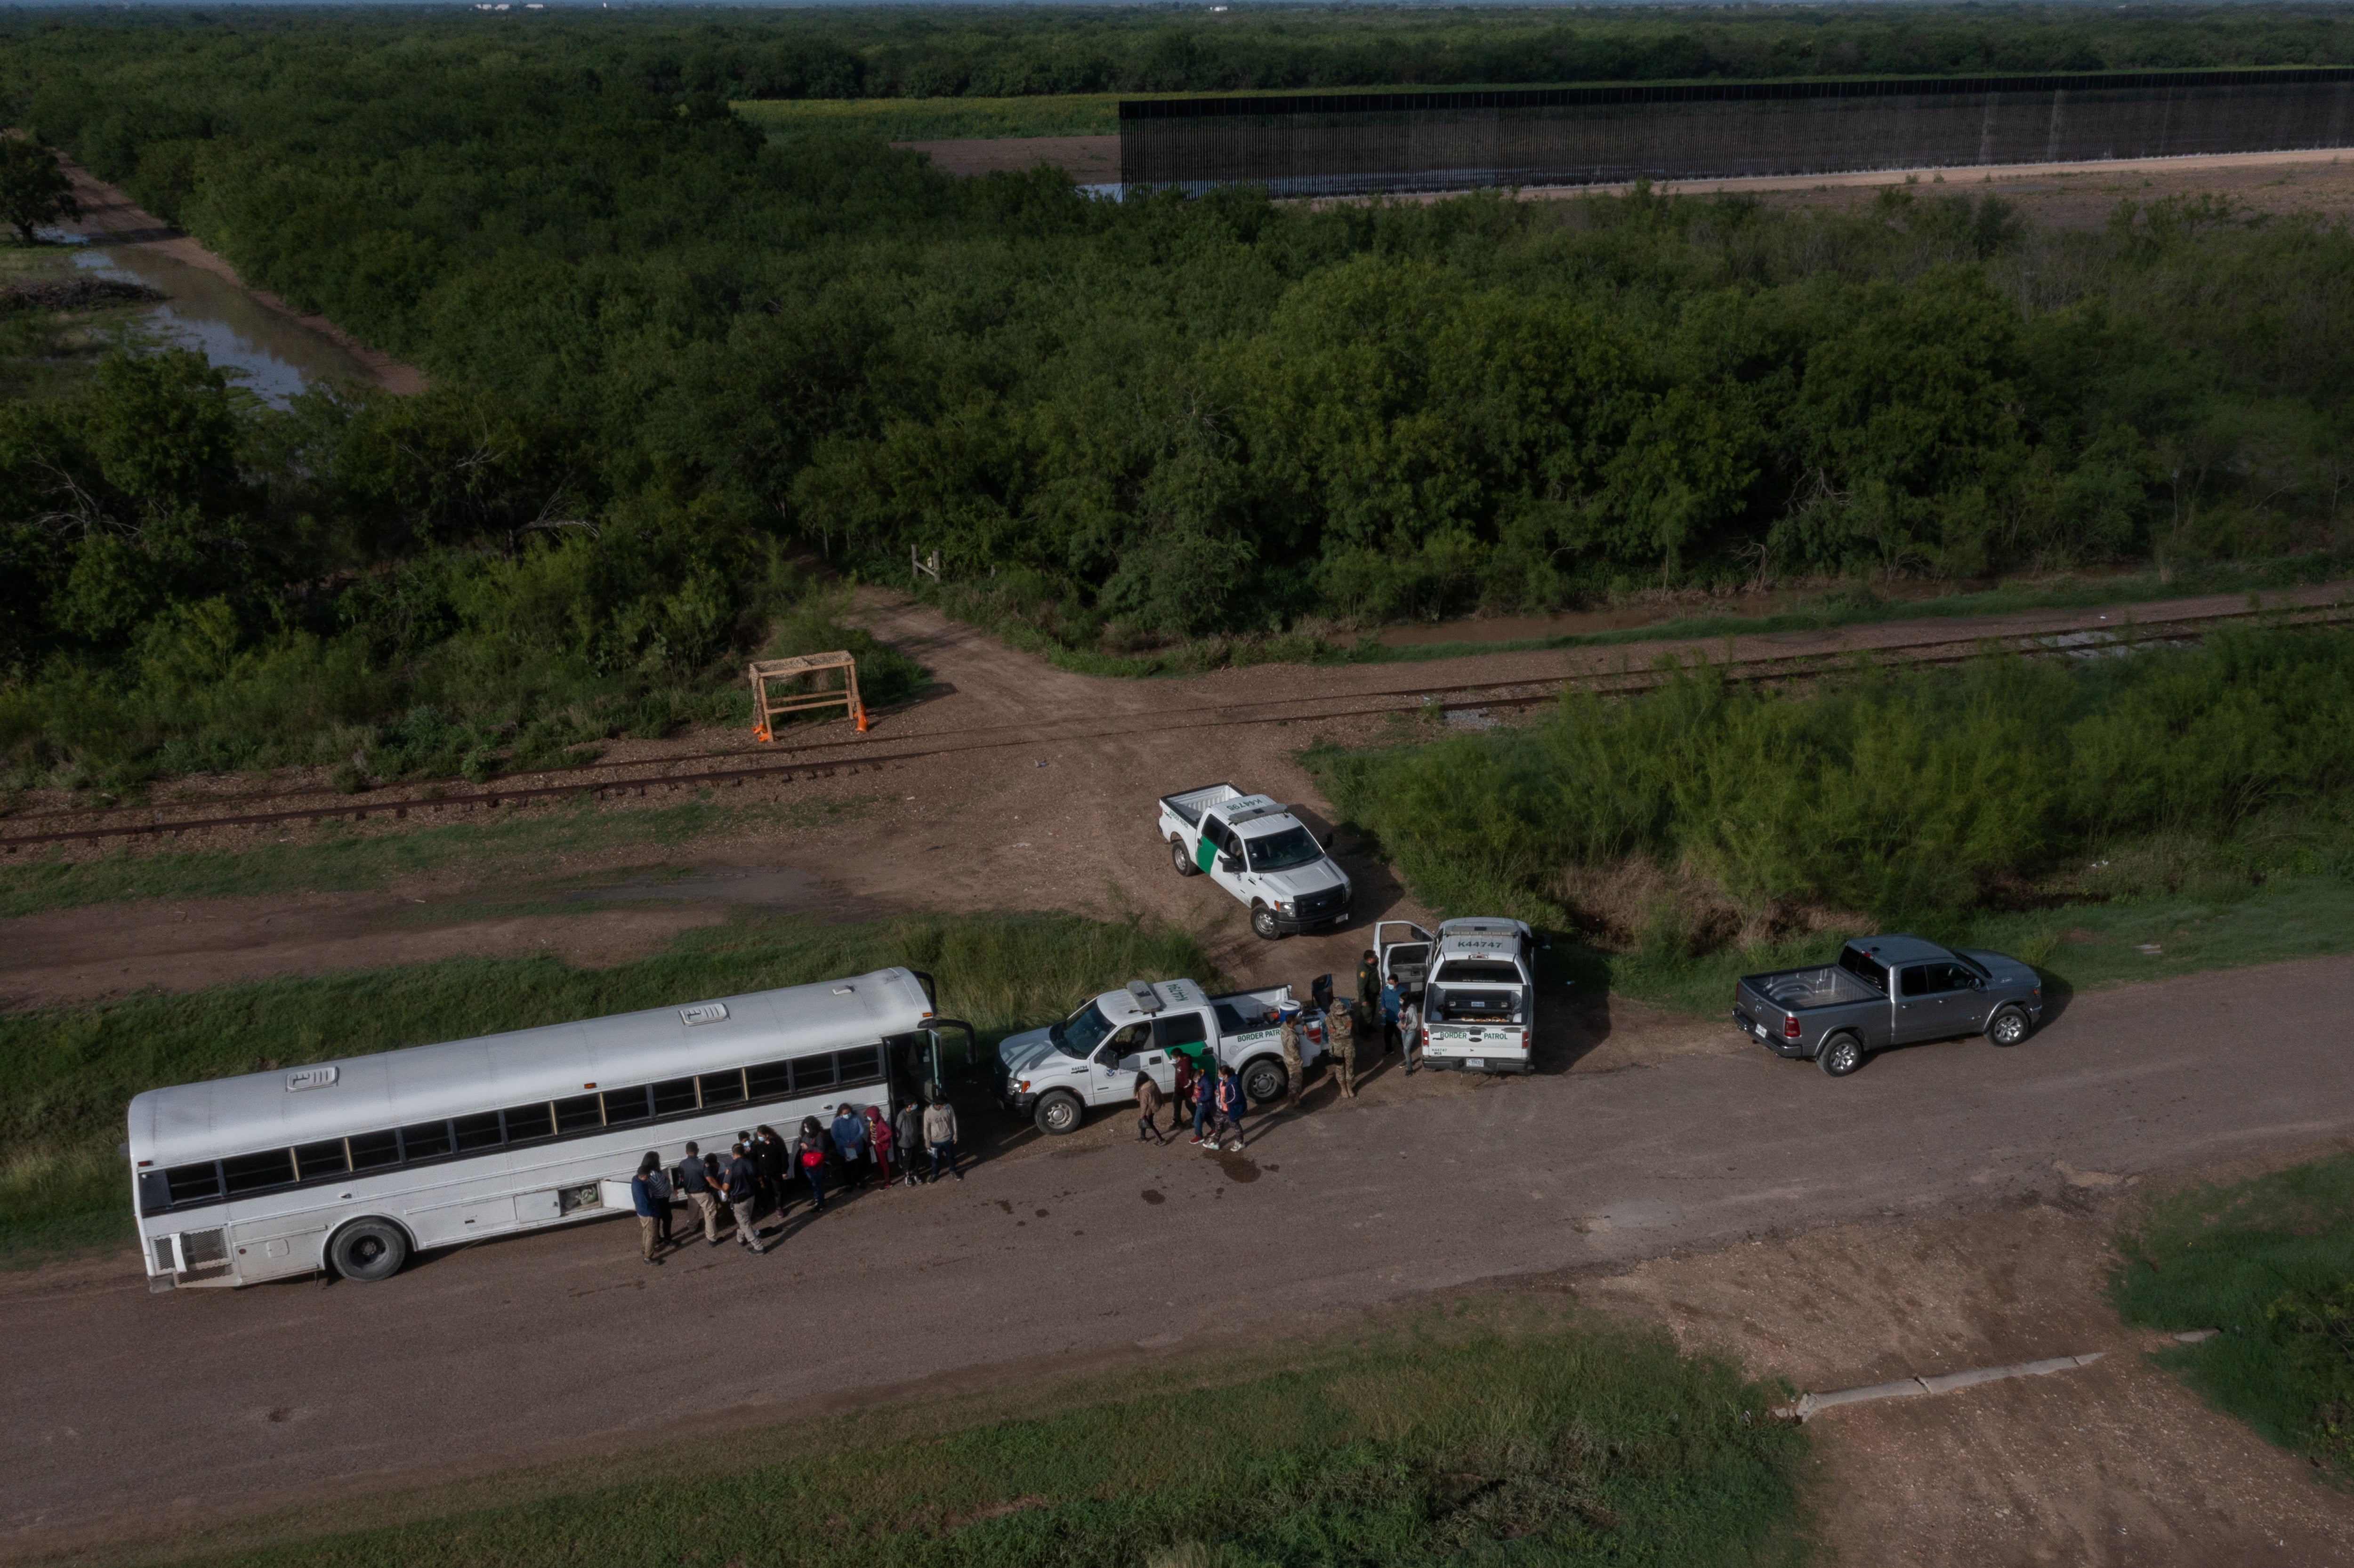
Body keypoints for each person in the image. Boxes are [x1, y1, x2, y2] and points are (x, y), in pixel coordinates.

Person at [723, 1142, 768, 1253]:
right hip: (751, 1197)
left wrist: (723, 1190)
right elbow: (759, 1178)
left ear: (734, 1154)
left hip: (739, 1200)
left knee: (745, 1224)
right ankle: (741, 1238)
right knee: (745, 1220)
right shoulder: (750, 1163)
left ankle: (758, 1247)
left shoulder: (732, 1168)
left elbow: (726, 1187)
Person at [678, 1140, 722, 1246]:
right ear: (698, 1150)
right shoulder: (703, 1164)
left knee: (693, 1212)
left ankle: (693, 1228)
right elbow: (710, 1180)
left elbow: (680, 1180)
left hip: (690, 1194)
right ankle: (712, 1239)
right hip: (703, 1194)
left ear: (686, 1152)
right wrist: (721, 1188)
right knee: (710, 1214)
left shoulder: (682, 1165)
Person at [630, 1152, 666, 1265]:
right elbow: (647, 1203)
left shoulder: (636, 1181)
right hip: (648, 1214)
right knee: (652, 1234)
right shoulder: (641, 1188)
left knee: (646, 1231)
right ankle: (648, 1258)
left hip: (641, 1213)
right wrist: (655, 1210)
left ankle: (645, 1249)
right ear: (644, 1176)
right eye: (648, 1176)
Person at [1208, 1063, 1246, 1150]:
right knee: (1218, 1125)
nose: (1218, 1076)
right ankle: (1216, 1142)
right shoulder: (1221, 1082)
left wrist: (1226, 1100)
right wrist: (1217, 1092)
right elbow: (1220, 1089)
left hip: (1231, 1110)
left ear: (1225, 1076)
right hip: (1221, 1108)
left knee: (1236, 1127)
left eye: (1220, 1075)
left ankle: (1241, 1143)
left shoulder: (1233, 1085)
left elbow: (1236, 1098)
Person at [753, 1125, 789, 1216]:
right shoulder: (758, 1143)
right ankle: (763, 1209)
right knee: (764, 1191)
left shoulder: (777, 1142)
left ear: (767, 1134)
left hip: (775, 1172)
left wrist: (784, 1171)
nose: (760, 1137)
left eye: (761, 1135)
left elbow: (784, 1156)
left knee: (778, 1190)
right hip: (763, 1173)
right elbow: (754, 1157)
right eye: (759, 1135)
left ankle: (779, 1208)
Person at [831, 1104, 869, 1191]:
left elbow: (861, 1130)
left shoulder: (856, 1118)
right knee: (846, 1167)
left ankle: (858, 1182)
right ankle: (848, 1184)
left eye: (849, 1113)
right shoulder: (836, 1122)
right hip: (844, 1149)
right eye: (845, 1113)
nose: (848, 1115)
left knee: (857, 1166)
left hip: (856, 1147)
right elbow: (835, 1136)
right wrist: (847, 1144)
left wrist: (854, 1142)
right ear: (840, 1114)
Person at [924, 1097, 961, 1181]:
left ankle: (953, 1171)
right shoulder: (928, 1113)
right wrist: (928, 1142)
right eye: (944, 1105)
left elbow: (953, 1121)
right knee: (935, 1159)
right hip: (936, 1141)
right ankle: (935, 1174)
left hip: (948, 1138)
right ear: (939, 1105)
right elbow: (926, 1128)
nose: (946, 1106)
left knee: (951, 1157)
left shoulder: (949, 1108)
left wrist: (955, 1135)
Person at [1327, 998, 1358, 1098]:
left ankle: (1349, 1087)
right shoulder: (1329, 1018)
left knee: (1350, 1066)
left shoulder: (1347, 1015)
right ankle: (1343, 1088)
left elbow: (1348, 1032)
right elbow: (1332, 1032)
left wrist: (1337, 1030)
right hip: (1337, 1047)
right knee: (1340, 1067)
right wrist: (1343, 1028)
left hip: (1348, 1045)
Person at [1277, 1005, 1306, 1110]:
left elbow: (1297, 1019)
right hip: (1294, 1062)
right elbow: (1294, 1052)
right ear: (1293, 1023)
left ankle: (1296, 1099)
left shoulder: (1284, 1026)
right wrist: (1300, 1061)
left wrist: (1303, 1024)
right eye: (1295, 1021)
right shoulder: (1292, 1037)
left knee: (1293, 1079)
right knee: (1296, 1081)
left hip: (1287, 1059)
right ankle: (1293, 1099)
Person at [895, 1099, 927, 1186]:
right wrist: (900, 1138)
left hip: (914, 1140)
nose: (916, 1105)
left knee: (916, 1158)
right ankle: (907, 1176)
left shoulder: (914, 1112)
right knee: (907, 1160)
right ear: (909, 1106)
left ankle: (916, 1173)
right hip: (905, 1143)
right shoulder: (902, 1115)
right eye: (914, 1104)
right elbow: (897, 1128)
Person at [798, 1123, 829, 1213]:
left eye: (807, 1127)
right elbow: (800, 1142)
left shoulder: (819, 1136)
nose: (806, 1129)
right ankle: (817, 1199)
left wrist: (809, 1147)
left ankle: (821, 1203)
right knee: (814, 1183)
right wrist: (801, 1144)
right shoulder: (805, 1135)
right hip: (808, 1164)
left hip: (816, 1164)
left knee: (819, 1183)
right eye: (805, 1127)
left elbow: (821, 1150)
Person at [865, 1105, 895, 1188]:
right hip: (876, 1146)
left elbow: (889, 1133)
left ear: (873, 1115)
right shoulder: (873, 1123)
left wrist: (880, 1140)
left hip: (881, 1147)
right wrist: (869, 1143)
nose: (868, 1117)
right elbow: (871, 1133)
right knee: (880, 1162)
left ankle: (888, 1182)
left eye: (869, 1116)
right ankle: (880, 1177)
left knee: (884, 1164)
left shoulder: (881, 1123)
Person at [1135, 1072, 1168, 1144]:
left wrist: (1142, 1115)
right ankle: (1143, 1137)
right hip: (1155, 1105)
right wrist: (1163, 1101)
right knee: (1145, 1122)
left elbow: (1144, 1105)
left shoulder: (1144, 1090)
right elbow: (1159, 1092)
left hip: (1149, 1110)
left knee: (1150, 1125)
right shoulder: (1152, 1082)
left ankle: (1161, 1140)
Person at [1379, 978, 1404, 1056]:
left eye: (1392, 984)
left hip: (1399, 1019)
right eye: (1389, 983)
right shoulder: (1386, 990)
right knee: (1387, 1035)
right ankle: (1389, 1050)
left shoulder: (1403, 991)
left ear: (1397, 983)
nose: (1390, 985)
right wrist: (1383, 1007)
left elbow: (1406, 1003)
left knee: (1400, 1035)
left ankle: (1406, 1049)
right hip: (1389, 1017)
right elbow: (1382, 999)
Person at [1399, 993, 1423, 1075]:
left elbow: (1415, 1024)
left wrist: (1407, 1027)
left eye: (1401, 1000)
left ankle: (1410, 1069)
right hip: (1404, 1031)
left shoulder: (1412, 1009)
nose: (1400, 1001)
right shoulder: (1403, 1007)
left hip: (1410, 1032)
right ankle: (1409, 1061)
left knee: (1406, 1049)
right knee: (1406, 1049)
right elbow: (1400, 1014)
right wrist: (1401, 1016)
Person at [1356, 950, 1380, 1020]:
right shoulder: (1364, 969)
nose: (1376, 958)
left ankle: (1370, 1027)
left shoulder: (1371, 964)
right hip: (1368, 995)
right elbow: (1361, 985)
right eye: (1374, 957)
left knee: (1373, 1010)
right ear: (1369, 959)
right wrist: (1363, 999)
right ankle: (1364, 1029)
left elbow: (1377, 961)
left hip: (1373, 993)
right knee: (1367, 1013)